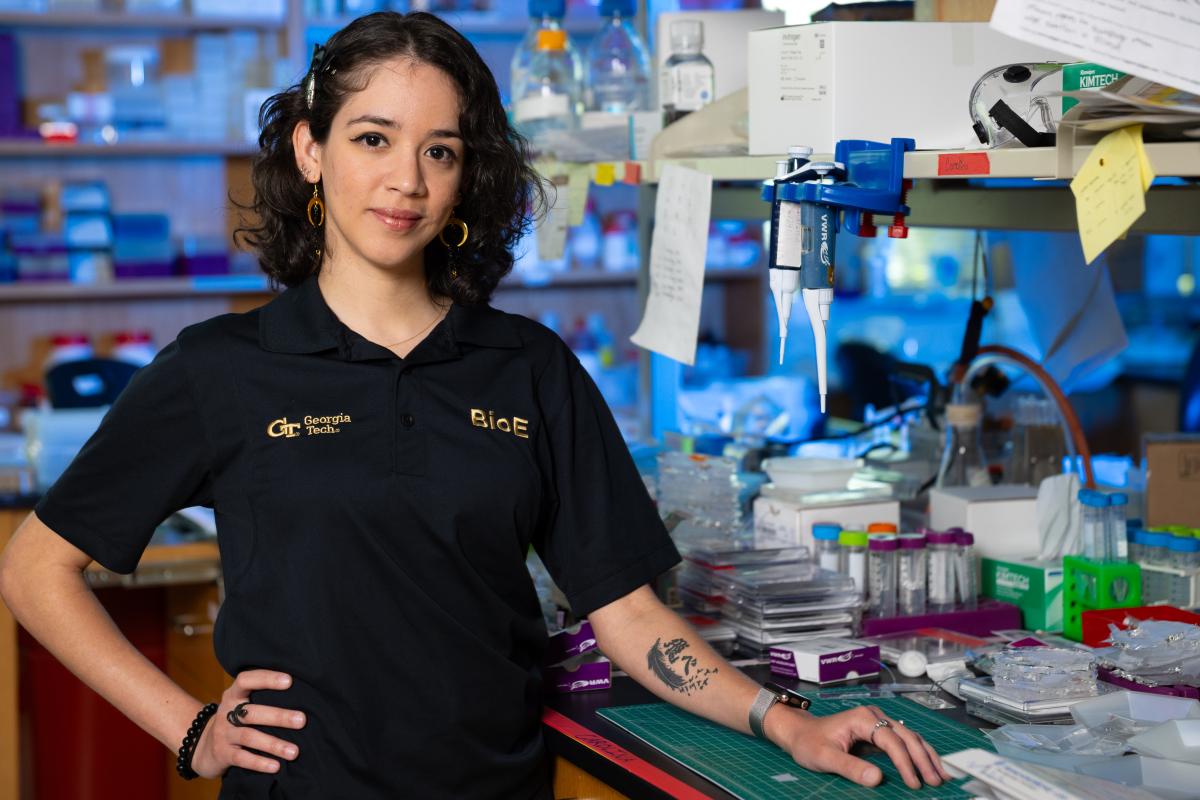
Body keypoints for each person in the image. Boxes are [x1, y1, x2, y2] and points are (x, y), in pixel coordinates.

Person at [0, 12, 950, 798]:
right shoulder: (223, 369)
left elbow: (623, 611)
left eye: (438, 150)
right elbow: (36, 568)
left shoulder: (527, 367)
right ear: (311, 151)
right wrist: (193, 728)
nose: (405, 179)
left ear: (465, 177)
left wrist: (783, 721)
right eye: (372, 138)